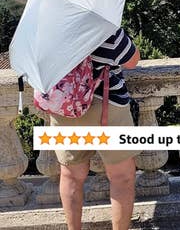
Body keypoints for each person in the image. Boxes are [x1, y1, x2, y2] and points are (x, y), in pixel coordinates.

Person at [50, 27, 141, 230]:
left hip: (63, 106)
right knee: (121, 177)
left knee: (71, 176)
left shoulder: (47, 26)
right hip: (106, 106)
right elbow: (132, 61)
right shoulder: (102, 23)